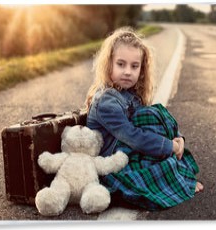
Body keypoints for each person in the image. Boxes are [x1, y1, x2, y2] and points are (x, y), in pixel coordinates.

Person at [85, 27, 203, 210]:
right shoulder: (106, 100)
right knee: (150, 124)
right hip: (110, 163)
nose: (127, 72)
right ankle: (174, 178)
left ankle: (174, 171)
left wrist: (177, 138)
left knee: (155, 113)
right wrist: (169, 146)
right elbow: (133, 136)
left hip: (128, 151)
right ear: (109, 65)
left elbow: (153, 126)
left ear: (141, 70)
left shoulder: (130, 94)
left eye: (134, 66)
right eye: (121, 64)